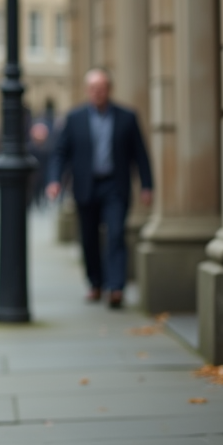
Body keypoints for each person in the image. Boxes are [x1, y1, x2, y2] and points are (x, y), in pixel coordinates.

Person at [46, 68, 152, 309]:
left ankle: (116, 287)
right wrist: (54, 181)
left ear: (109, 90)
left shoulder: (127, 117)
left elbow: (140, 154)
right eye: (93, 89)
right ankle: (95, 283)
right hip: (86, 186)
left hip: (115, 185)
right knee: (89, 238)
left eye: (102, 89)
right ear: (87, 91)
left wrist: (147, 185)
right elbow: (60, 153)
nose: (98, 93)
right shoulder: (75, 118)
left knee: (116, 234)